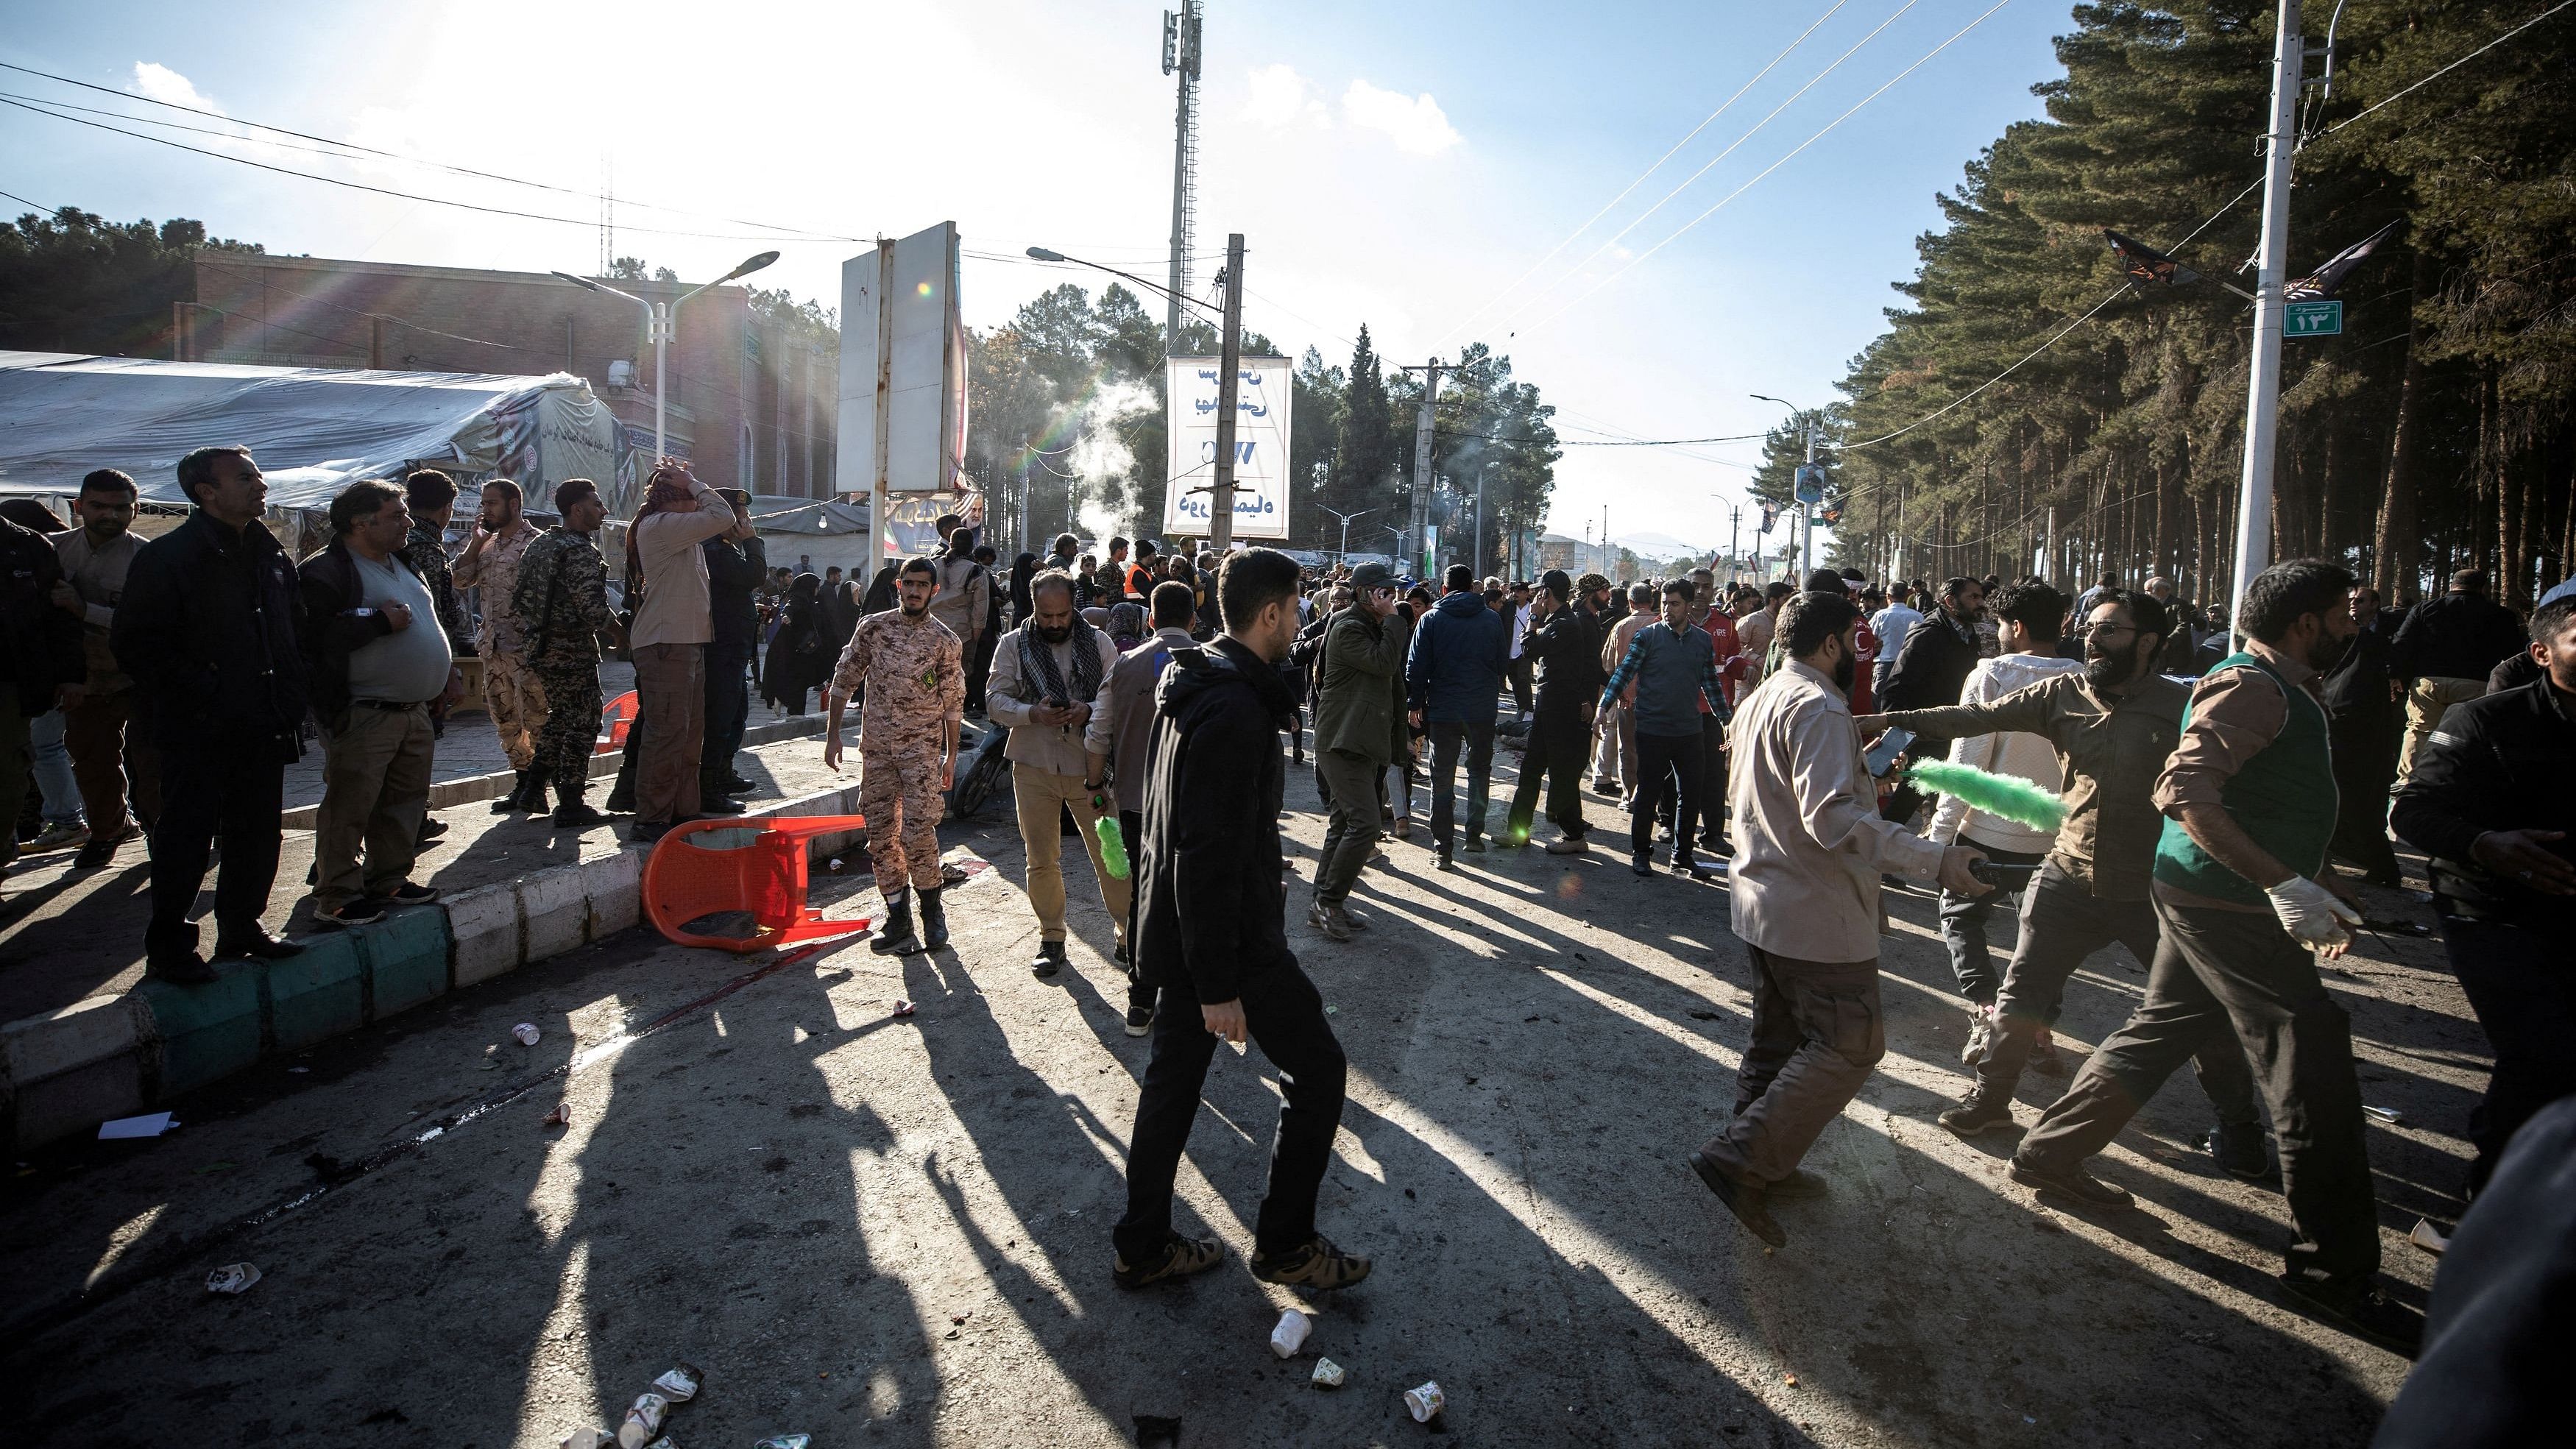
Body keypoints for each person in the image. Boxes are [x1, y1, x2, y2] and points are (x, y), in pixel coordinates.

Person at [2007, 559, 2420, 1354]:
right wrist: (2280, 882)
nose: (2354, 623)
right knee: (2310, 1056)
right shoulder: (2252, 686)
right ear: (2304, 622)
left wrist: (2313, 874)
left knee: (2161, 1025)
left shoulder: (2276, 686)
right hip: (2225, 903)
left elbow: (2260, 797)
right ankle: (2330, 1271)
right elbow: (2186, 790)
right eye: (2343, 612)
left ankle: (2047, 1151)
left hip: (2218, 894)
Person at [1859, 586, 2265, 1163]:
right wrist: (1877, 719)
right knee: (2021, 992)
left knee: (2196, 1009)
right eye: (2090, 628)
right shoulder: (2062, 694)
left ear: (2148, 642)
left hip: (2151, 887)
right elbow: (1969, 717)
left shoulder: (2180, 706)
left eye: (2110, 631)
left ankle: (2240, 1127)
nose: (2092, 640)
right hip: (2067, 874)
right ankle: (1990, 1099)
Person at [1693, 589, 1988, 1245]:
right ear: (1830, 643)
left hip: (1766, 902)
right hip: (1813, 913)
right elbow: (1831, 820)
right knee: (1851, 1042)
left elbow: (1795, 796)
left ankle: (1765, 1160)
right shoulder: (1821, 707)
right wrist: (1934, 858)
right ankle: (1742, 1158)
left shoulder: (1768, 694)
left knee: (1779, 1040)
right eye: (1855, 641)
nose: (1861, 654)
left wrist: (1865, 781)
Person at [1114, 547, 1370, 1292]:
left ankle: (1142, 1243)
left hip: (1186, 931)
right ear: (1269, 614)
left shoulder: (1196, 679)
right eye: (1295, 609)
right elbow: (1206, 852)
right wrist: (1219, 981)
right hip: (1227, 941)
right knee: (1318, 1068)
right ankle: (1285, 1244)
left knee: (1171, 1086)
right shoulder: (1232, 707)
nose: (1300, 621)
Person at [2389, 595, 2576, 1195]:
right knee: (2543, 1049)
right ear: (2542, 653)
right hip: (2488, 909)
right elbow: (2413, 812)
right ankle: (2489, 1200)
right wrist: (2483, 843)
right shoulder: (2483, 720)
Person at [116, 445, 307, 979]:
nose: (260, 484)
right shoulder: (169, 557)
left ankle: (242, 926)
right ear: (207, 492)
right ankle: (172, 948)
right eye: (245, 477)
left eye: (259, 474)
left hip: (263, 721)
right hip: (199, 726)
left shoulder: (268, 554)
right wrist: (207, 688)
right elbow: (137, 644)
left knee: (257, 830)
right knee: (187, 836)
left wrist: (292, 695)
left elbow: (291, 629)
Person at [299, 480, 455, 927]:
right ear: (360, 522)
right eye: (396, 515)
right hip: (365, 712)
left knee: (404, 802)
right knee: (350, 807)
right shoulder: (327, 572)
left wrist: (445, 673)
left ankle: (388, 879)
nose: (408, 522)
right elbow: (314, 639)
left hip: (414, 711)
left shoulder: (401, 563)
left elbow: (427, 620)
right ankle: (337, 895)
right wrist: (378, 624)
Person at [987, 568, 1129, 979]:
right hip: (1033, 766)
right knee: (1041, 859)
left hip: (1092, 770)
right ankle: (1052, 937)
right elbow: (994, 700)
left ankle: (1127, 933)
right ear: (1032, 608)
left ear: (1073, 607)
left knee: (1112, 856)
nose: (1053, 623)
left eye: (1062, 615)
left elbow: (1118, 696)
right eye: (1045, 616)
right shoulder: (1013, 645)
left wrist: (1089, 711)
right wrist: (1032, 713)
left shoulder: (1099, 643)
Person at [823, 556, 964, 955]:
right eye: (909, 584)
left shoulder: (944, 641)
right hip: (879, 753)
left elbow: (953, 704)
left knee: (918, 833)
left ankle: (932, 912)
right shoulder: (874, 628)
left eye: (923, 585)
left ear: (934, 591)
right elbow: (844, 681)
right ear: (898, 586)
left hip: (921, 755)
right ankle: (897, 913)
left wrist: (951, 758)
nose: (915, 591)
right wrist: (834, 737)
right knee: (881, 834)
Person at [1086, 580, 1197, 1037]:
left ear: (1150, 619)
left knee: (1144, 901)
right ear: (1194, 619)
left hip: (1137, 805)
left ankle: (1140, 1002)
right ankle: (1195, 1001)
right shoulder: (1213, 664)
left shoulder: (1125, 666)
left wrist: (1095, 785)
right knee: (1194, 899)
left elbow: (1097, 734)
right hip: (1195, 807)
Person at [623, 463, 749, 843]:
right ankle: (651, 816)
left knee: (689, 733)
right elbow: (722, 514)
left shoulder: (681, 534)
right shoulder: (662, 525)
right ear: (676, 499)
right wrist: (695, 482)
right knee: (666, 734)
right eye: (689, 497)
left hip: (685, 642)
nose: (696, 503)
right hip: (666, 643)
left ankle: (680, 809)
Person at [51, 468, 160, 868]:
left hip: (140, 676)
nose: (110, 516)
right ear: (79, 507)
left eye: (121, 508)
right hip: (85, 679)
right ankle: (107, 831)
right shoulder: (53, 549)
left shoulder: (148, 557)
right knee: (93, 762)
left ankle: (162, 834)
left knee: (152, 763)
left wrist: (85, 610)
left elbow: (148, 621)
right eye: (99, 506)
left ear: (134, 510)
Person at [1599, 578, 1730, 879]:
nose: (1668, 610)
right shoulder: (1647, 637)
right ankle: (1641, 854)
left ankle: (1682, 857)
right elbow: (1623, 673)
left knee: (1690, 795)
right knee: (1648, 793)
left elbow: (1710, 684)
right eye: (1664, 605)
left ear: (1688, 605)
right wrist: (1602, 707)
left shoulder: (1701, 640)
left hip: (1689, 730)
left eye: (1674, 604)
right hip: (1653, 730)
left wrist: (1727, 721)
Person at [514, 479, 623, 829]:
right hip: (570, 651)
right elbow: (593, 610)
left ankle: (533, 788)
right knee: (585, 722)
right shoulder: (578, 550)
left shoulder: (541, 544)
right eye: (597, 503)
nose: (603, 510)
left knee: (561, 718)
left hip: (541, 647)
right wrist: (624, 634)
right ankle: (572, 801)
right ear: (577, 509)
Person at [1307, 561, 1407, 940]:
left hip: (1359, 740)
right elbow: (1383, 665)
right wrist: (1395, 619)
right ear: (1367, 594)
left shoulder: (1371, 626)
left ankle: (1322, 903)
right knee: (1365, 824)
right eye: (1385, 591)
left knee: (1343, 822)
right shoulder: (1349, 627)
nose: (1393, 597)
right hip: (1342, 741)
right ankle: (1329, 902)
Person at [452, 479, 552, 812]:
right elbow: (460, 580)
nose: (485, 510)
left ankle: (539, 786)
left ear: (513, 504)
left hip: (526, 649)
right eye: (484, 503)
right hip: (493, 647)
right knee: (504, 717)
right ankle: (522, 782)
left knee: (536, 717)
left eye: (492, 503)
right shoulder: (488, 545)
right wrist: (475, 543)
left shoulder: (535, 543)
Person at [0, 500, 85, 876]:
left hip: (12, 684)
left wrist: (69, 676)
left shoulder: (26, 545)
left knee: (11, 773)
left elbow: (57, 619)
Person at [1406, 563, 1510, 870]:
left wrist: (1415, 703)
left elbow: (1416, 666)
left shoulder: (1431, 620)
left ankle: (1443, 848)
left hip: (1444, 710)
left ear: (1443, 589)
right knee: (1479, 771)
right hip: (1481, 710)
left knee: (1443, 777)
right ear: (1473, 589)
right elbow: (1501, 664)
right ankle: (1475, 836)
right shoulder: (1491, 620)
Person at [2390, 568, 2526, 787]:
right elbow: (2514, 654)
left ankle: (2409, 781)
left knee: (2419, 730)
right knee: (2467, 734)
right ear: (2482, 587)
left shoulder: (2425, 609)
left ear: (2452, 585)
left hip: (2429, 682)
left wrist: (2395, 674)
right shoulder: (2500, 614)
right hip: (2476, 683)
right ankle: (2459, 782)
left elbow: (2402, 643)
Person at [1505, 569, 1602, 854]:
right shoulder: (1559, 621)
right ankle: (1518, 831)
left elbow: (1530, 649)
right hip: (1550, 706)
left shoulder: (1565, 624)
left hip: (1561, 708)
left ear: (1546, 593)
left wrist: (1533, 618)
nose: (1536, 597)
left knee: (1561, 774)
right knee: (1532, 769)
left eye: (1539, 592)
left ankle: (1573, 835)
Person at [1878, 575, 1987, 823]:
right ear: (1950, 601)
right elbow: (1897, 685)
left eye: (1981, 597)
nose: (1980, 603)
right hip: (1927, 734)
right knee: (1907, 801)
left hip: (1953, 731)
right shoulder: (1929, 635)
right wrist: (1897, 735)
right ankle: (1878, 851)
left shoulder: (1969, 635)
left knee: (1942, 803)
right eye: (1973, 597)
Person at [2321, 583, 2409, 884]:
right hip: (2347, 730)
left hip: (2360, 734)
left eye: (2359, 602)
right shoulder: (2345, 642)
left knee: (2354, 800)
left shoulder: (2376, 638)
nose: (2353, 608)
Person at [700, 488, 765, 804]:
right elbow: (755, 575)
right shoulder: (715, 550)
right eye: (742, 516)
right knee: (720, 717)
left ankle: (723, 771)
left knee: (736, 713)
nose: (746, 521)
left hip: (734, 648)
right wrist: (753, 542)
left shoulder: (726, 549)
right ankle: (708, 784)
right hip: (721, 648)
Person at [1592, 582, 1655, 801]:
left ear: (1630, 603)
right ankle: (1651, 797)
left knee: (1627, 750)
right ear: (1653, 601)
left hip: (1626, 697)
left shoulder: (1621, 627)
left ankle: (1629, 796)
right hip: (1657, 701)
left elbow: (1607, 665)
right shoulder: (1661, 625)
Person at [927, 516, 991, 706]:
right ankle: (952, 727)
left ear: (951, 544)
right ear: (971, 547)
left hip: (931, 632)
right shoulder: (976, 571)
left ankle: (933, 720)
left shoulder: (932, 564)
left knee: (930, 677)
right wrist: (975, 638)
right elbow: (980, 610)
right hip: (961, 635)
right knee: (956, 680)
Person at [1869, 584, 1923, 702]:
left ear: (1888, 596)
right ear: (1907, 595)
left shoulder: (1881, 615)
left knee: (1878, 700)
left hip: (1885, 664)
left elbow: (1870, 637)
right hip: (1909, 664)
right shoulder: (1918, 616)